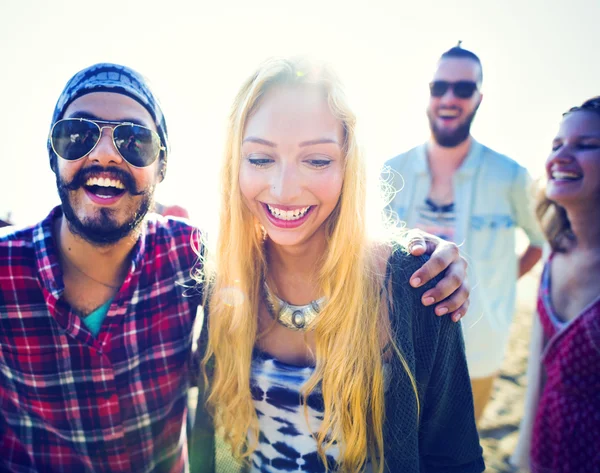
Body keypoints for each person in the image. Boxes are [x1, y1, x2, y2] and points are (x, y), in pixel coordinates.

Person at [0, 63, 470, 473]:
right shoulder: (217, 272)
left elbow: (454, 456)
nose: (284, 188)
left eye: (134, 141)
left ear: (161, 166)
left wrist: (423, 254)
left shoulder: (193, 259)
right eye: (76, 134)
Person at [192, 57, 485, 473]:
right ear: (234, 166)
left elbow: (454, 458)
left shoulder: (417, 284)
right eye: (260, 159)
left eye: (317, 160)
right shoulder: (223, 278)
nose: (284, 188)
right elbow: (208, 437)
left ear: (350, 164)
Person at [384, 44, 545, 422]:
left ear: (479, 98)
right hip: (395, 350)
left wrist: (498, 283)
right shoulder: (391, 172)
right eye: (439, 87)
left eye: (462, 88)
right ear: (428, 93)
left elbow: (540, 240)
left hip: (480, 348)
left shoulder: (510, 176)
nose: (449, 98)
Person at [511, 97, 600, 473]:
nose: (561, 156)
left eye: (585, 145)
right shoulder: (555, 251)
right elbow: (539, 369)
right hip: (547, 446)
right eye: (557, 145)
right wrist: (524, 456)